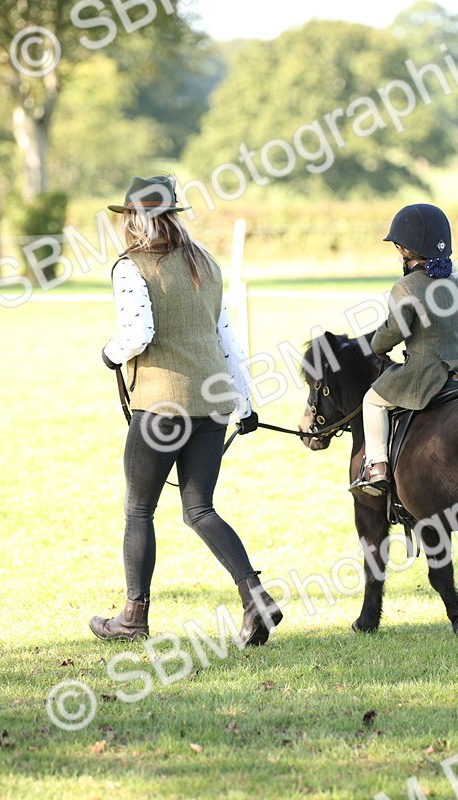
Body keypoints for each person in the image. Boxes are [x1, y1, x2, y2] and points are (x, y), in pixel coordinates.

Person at [90, 175, 282, 647]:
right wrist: (245, 403)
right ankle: (255, 596)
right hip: (212, 404)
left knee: (139, 510)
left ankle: (133, 618)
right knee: (199, 509)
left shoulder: (130, 267)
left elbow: (138, 334)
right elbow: (227, 338)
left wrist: (110, 355)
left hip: (160, 405)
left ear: (134, 218)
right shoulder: (205, 263)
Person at [349, 203, 458, 496]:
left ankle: (377, 468)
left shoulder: (406, 287)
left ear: (405, 250)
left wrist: (378, 345)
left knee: (372, 401)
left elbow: (394, 331)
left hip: (423, 373)